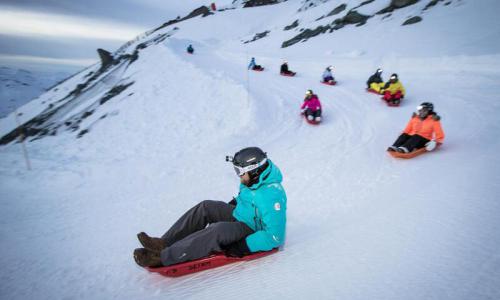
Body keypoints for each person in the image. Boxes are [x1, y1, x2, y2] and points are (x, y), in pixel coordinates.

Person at [133, 147, 287, 267]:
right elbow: (247, 198)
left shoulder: (271, 196)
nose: (238, 176)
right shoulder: (255, 180)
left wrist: (244, 246)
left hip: (252, 229)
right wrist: (233, 204)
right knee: (206, 206)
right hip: (241, 215)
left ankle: (164, 257)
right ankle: (163, 243)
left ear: (255, 170)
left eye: (240, 172)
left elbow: (275, 237)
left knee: (217, 230)